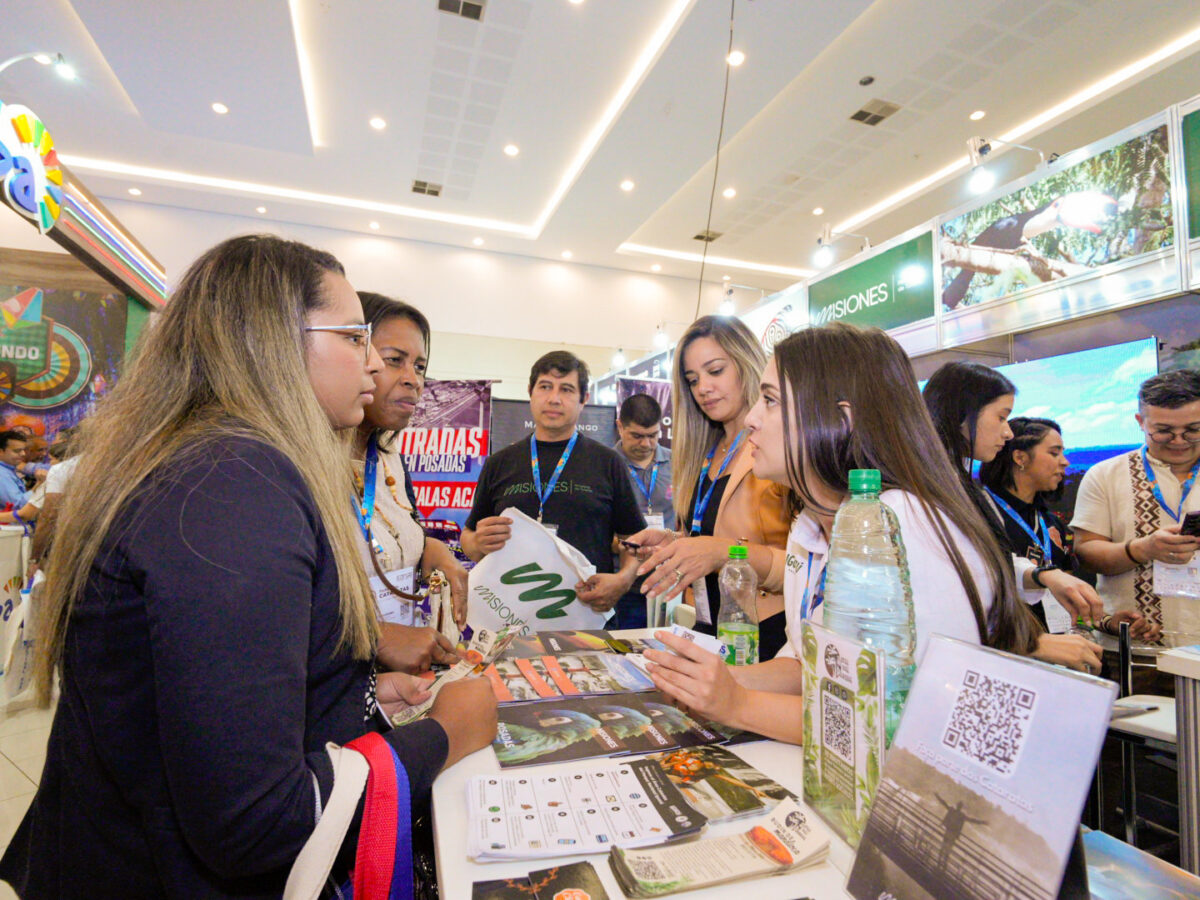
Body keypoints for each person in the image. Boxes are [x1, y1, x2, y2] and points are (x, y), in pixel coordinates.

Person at [1, 235, 497, 897]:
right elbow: (255, 823)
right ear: (270, 342)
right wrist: (444, 734)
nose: (375, 364)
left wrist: (360, 695)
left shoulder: (213, 464)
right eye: (355, 337)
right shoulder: (232, 485)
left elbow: (218, 699)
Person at [639, 324, 1040, 744]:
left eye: (771, 401)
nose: (753, 419)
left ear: (841, 418)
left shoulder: (900, 525)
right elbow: (805, 666)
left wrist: (736, 703)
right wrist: (716, 682)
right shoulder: (810, 526)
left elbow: (888, 718)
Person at [923, 360, 1106, 672]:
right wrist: (1027, 642)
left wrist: (1041, 575)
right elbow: (940, 592)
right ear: (963, 414)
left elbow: (982, 565)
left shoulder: (958, 486)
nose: (1007, 432)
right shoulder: (924, 492)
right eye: (1001, 417)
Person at [630, 316, 791, 659]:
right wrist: (675, 545)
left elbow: (803, 566)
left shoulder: (777, 451)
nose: (703, 387)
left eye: (715, 371)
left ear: (746, 364)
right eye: (692, 379)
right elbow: (710, 534)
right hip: (709, 629)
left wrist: (721, 551)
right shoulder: (705, 453)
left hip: (766, 636)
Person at [463, 351, 645, 614]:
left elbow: (634, 541)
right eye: (545, 386)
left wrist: (624, 580)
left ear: (584, 399)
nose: (554, 398)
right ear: (531, 392)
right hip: (508, 616)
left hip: (586, 617)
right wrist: (477, 542)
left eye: (567, 389)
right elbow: (467, 537)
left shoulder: (607, 462)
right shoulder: (499, 463)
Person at [354, 291, 470, 675]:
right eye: (394, 361)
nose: (413, 380)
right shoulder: (300, 465)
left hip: (398, 678)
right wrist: (375, 636)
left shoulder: (389, 458)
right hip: (336, 683)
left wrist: (431, 551)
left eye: (419, 366)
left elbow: (398, 535)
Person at [979, 416, 1159, 644]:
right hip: (1010, 651)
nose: (1065, 462)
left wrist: (1107, 622)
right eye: (1054, 453)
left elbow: (1069, 603)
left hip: (1061, 654)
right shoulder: (979, 514)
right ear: (1020, 457)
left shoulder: (1052, 523)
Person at [1073, 370, 1200, 677]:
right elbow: (1086, 552)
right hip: (1135, 655)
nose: (1179, 441)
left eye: (1193, 430)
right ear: (1140, 422)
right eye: (1164, 431)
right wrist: (1143, 548)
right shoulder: (1104, 475)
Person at [611, 392, 674, 628]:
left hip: (668, 580)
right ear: (620, 427)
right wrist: (622, 545)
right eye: (637, 436)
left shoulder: (677, 463)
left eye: (653, 436)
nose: (646, 444)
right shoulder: (607, 464)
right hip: (624, 584)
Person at [0, 429, 29, 511]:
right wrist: (38, 486)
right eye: (17, 451)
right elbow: (18, 505)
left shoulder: (7, 470)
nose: (23, 454)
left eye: (24, 450)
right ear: (1, 452)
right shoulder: (2, 474)